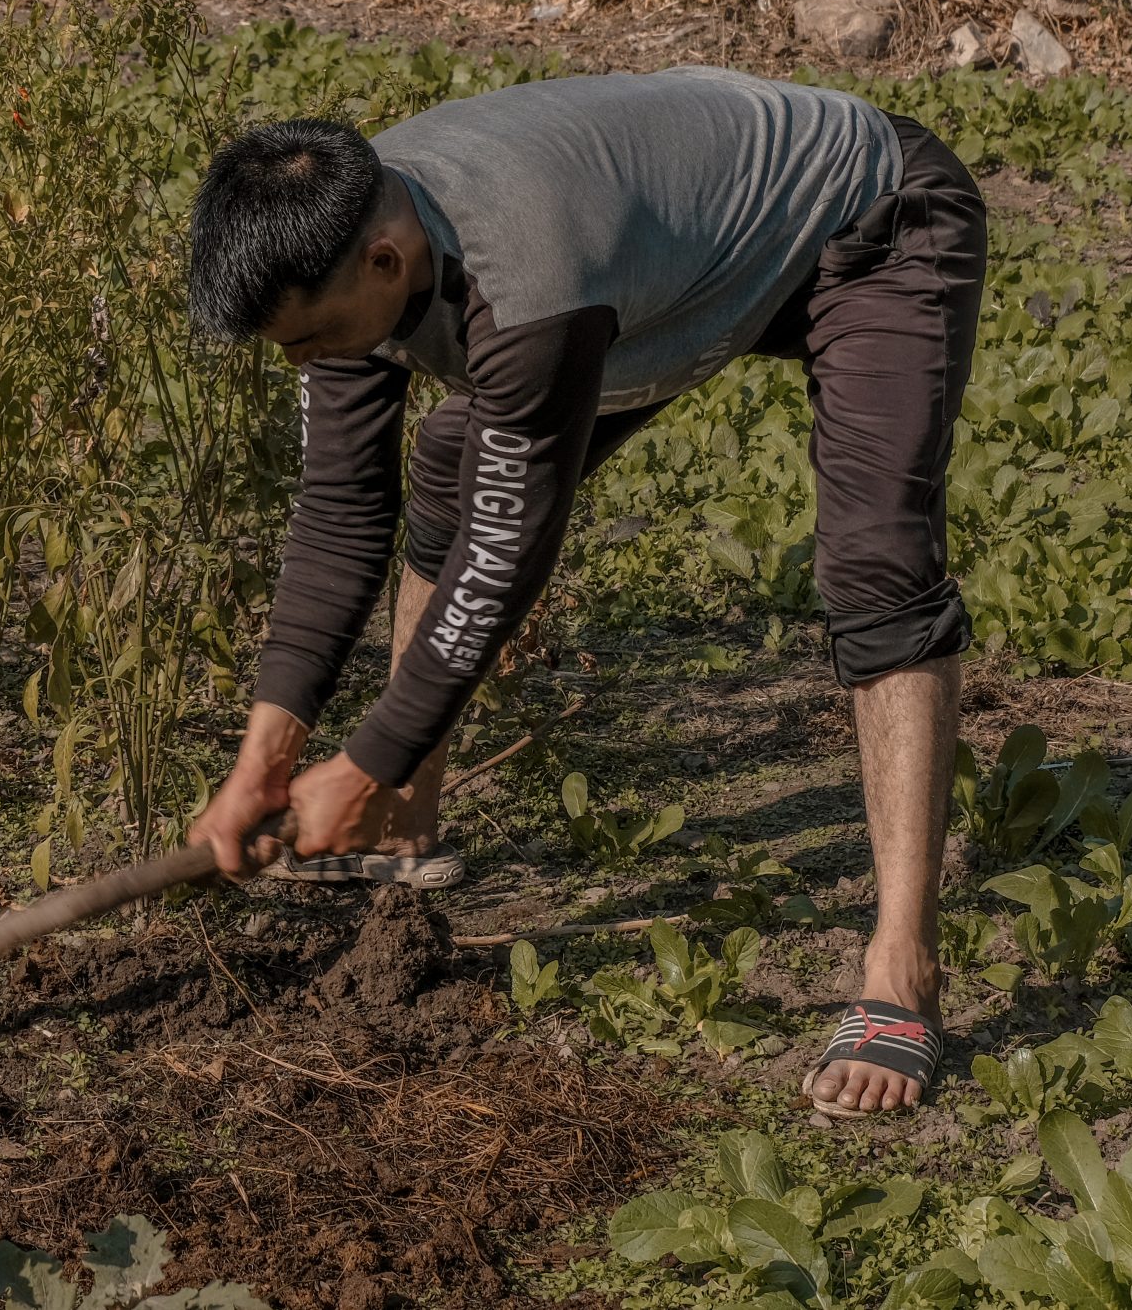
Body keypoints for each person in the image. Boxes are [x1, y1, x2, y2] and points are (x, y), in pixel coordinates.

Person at [182, 67, 986, 1118]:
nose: (306, 360)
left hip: (867, 218)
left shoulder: (523, 276)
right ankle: (401, 817)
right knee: (449, 468)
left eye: (309, 339)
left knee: (878, 562)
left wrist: (363, 754)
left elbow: (504, 558)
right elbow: (339, 515)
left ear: (386, 260)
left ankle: (901, 978)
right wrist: (266, 757)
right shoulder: (340, 240)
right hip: (665, 265)